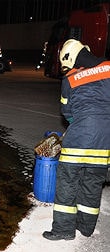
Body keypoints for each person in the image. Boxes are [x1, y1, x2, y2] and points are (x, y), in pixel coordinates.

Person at [43, 39, 110, 240]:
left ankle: (63, 231)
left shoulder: (70, 78)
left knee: (67, 183)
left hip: (79, 139)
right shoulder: (108, 67)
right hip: (104, 141)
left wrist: (78, 124)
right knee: (92, 183)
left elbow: (67, 112)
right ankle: (86, 227)